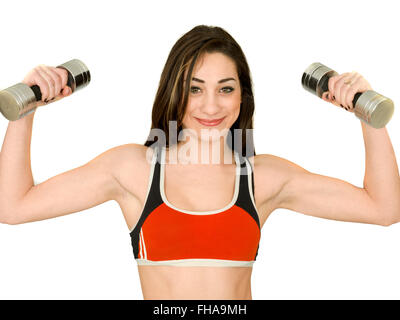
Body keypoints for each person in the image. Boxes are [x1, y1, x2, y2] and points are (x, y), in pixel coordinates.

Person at [0, 25, 399, 300]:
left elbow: (383, 209)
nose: (211, 105)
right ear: (174, 91)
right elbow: (13, 207)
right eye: (194, 89)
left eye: (226, 88)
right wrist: (26, 113)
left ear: (242, 95)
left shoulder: (263, 177)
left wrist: (369, 121)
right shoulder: (133, 170)